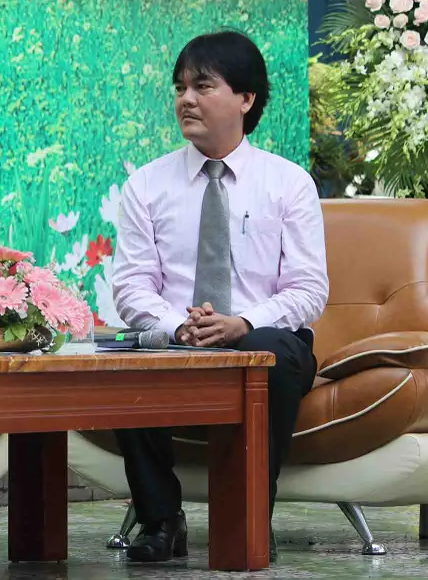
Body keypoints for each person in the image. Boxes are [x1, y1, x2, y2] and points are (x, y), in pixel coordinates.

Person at [111, 31, 328, 564]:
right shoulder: (146, 185)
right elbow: (131, 286)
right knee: (123, 361)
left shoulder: (288, 183)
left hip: (265, 340)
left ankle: (248, 517)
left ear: (245, 98)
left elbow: (308, 289)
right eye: (179, 88)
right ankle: (161, 520)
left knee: (270, 355)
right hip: (177, 341)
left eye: (203, 86)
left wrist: (243, 323)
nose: (186, 99)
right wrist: (177, 326)